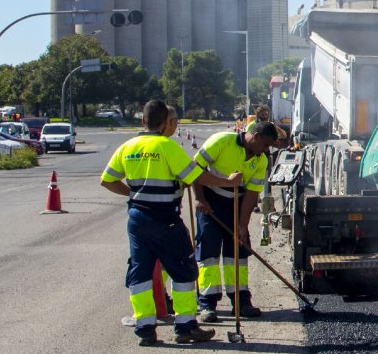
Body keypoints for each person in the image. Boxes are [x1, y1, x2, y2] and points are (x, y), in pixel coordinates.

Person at [100, 100, 242, 347]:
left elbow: (108, 180)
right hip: (165, 219)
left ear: (142, 121)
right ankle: (185, 326)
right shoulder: (167, 147)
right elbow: (196, 176)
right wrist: (229, 182)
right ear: (166, 123)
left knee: (140, 272)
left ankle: (145, 329)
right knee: (184, 270)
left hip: (137, 219)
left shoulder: (128, 147)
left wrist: (134, 194)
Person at [192, 120, 278, 322]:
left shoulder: (261, 160)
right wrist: (200, 198)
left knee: (238, 255)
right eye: (265, 145)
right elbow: (195, 169)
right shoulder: (221, 141)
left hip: (236, 206)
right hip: (210, 204)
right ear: (255, 137)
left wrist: (242, 225)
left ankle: (241, 301)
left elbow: (251, 194)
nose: (266, 150)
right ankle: (207, 304)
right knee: (209, 255)